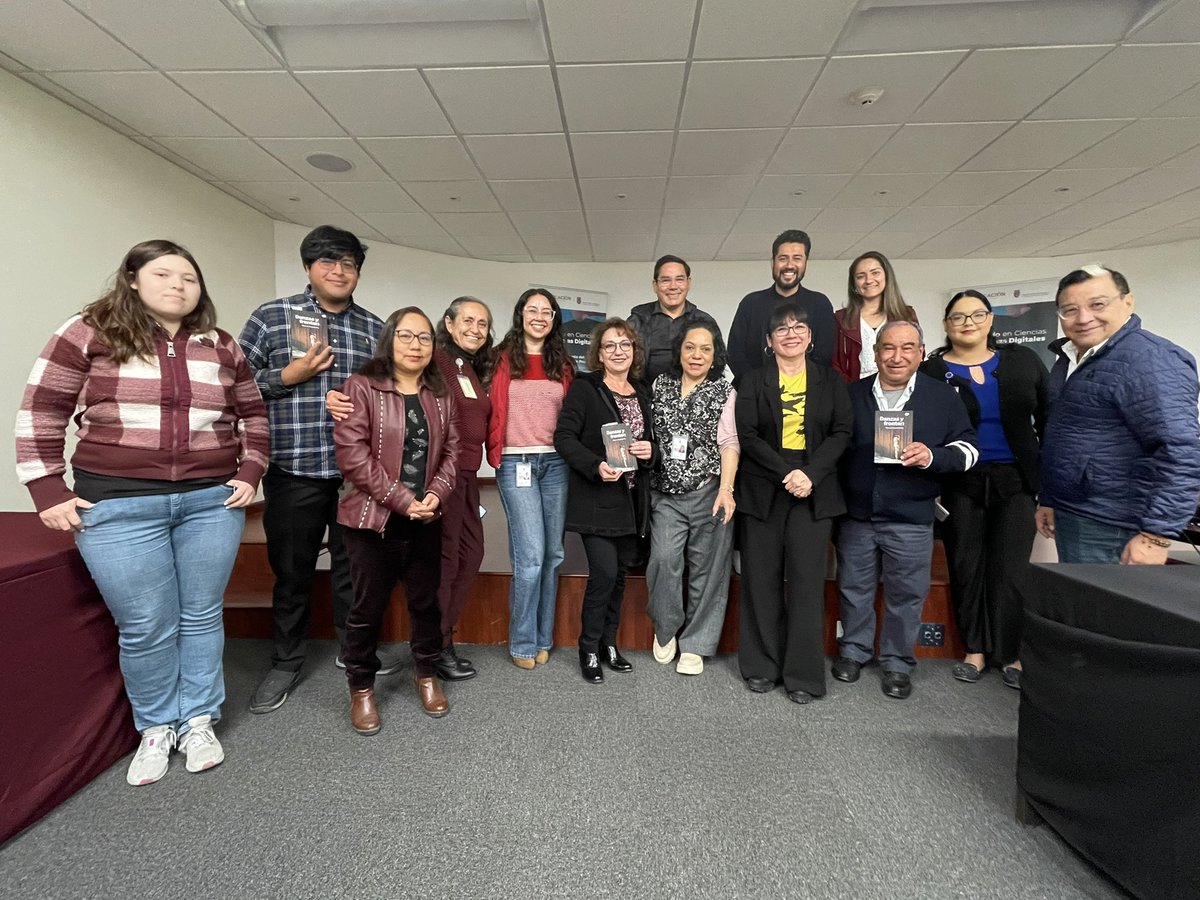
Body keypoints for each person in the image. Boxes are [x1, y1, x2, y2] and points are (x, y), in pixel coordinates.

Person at [16, 240, 268, 784]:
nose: (178, 285)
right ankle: (156, 727)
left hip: (209, 503)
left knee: (202, 614)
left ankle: (199, 718)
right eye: (164, 274)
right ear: (132, 279)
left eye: (189, 278)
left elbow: (253, 414)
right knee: (146, 625)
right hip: (118, 505)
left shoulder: (219, 344)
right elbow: (42, 408)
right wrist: (47, 489)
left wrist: (250, 472)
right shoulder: (88, 332)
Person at [240, 225, 391, 715]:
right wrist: (289, 377)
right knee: (292, 570)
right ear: (309, 267)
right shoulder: (273, 317)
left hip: (356, 473)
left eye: (348, 264)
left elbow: (389, 395)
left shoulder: (373, 327)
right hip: (294, 467)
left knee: (355, 570)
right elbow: (232, 385)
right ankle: (285, 661)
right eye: (328, 261)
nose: (339, 271)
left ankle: (355, 652)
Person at [327, 296, 493, 682]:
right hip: (409, 493)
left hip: (457, 478)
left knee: (468, 555)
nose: (475, 328)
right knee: (440, 566)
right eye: (467, 320)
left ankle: (435, 651)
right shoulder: (422, 366)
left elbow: (457, 436)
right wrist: (331, 396)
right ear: (447, 325)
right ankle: (432, 652)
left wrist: (442, 485)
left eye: (483, 323)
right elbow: (358, 440)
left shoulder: (462, 369)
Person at [835, 321, 978, 700]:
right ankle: (853, 651)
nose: (896, 357)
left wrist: (933, 456)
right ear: (876, 352)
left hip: (912, 515)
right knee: (854, 589)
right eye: (888, 348)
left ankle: (897, 663)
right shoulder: (852, 395)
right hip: (858, 514)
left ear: (920, 352)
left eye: (906, 348)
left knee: (906, 595)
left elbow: (970, 449)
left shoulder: (943, 397)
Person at [334, 307, 460, 732]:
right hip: (374, 520)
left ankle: (426, 675)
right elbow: (353, 457)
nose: (416, 345)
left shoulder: (440, 394)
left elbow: (452, 454)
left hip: (426, 517)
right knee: (367, 609)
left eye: (424, 338)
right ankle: (362, 688)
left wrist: (433, 496)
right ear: (390, 340)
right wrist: (403, 500)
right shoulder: (362, 386)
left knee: (426, 604)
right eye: (407, 336)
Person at [921, 291, 1048, 690]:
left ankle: (1009, 654)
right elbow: (922, 429)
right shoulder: (930, 371)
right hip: (960, 482)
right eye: (958, 317)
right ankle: (974, 649)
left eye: (977, 315)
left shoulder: (1022, 361)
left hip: (1015, 481)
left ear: (990, 320)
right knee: (966, 566)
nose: (968, 322)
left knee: (1010, 573)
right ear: (946, 324)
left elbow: (1049, 417)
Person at [1036, 265, 1200, 564]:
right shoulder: (1071, 357)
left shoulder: (1148, 359)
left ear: (1128, 302)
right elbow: (1066, 434)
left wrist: (1155, 537)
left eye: (1097, 304)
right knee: (1083, 605)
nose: (1084, 318)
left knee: (1106, 609)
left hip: (1115, 525)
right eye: (1070, 309)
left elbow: (1181, 451)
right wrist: (1049, 498)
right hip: (1077, 513)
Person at [734, 305, 852, 703]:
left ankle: (802, 675)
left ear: (811, 336)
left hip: (814, 490)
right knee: (760, 581)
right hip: (764, 488)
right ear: (768, 341)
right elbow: (747, 435)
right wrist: (787, 472)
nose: (790, 333)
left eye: (799, 326)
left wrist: (810, 474)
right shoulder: (751, 381)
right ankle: (761, 666)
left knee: (806, 584)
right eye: (780, 328)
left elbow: (842, 432)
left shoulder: (830, 380)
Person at [555, 319, 658, 683]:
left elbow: (654, 447)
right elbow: (564, 438)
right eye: (610, 345)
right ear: (598, 353)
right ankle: (587, 647)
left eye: (625, 344)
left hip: (633, 502)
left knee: (619, 578)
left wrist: (651, 451)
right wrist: (595, 465)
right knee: (604, 574)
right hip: (597, 498)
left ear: (634, 351)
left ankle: (609, 645)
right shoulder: (586, 389)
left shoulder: (642, 392)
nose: (619, 351)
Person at [645, 319, 739, 675]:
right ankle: (667, 627)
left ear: (715, 355)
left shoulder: (724, 390)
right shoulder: (661, 384)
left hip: (709, 492)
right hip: (666, 494)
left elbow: (730, 443)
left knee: (708, 570)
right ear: (679, 351)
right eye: (690, 347)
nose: (696, 355)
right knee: (664, 559)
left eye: (705, 349)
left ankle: (697, 643)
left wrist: (726, 490)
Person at [486, 289, 574, 669]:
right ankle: (522, 642)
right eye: (532, 309)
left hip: (556, 464)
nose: (539, 316)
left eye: (547, 311)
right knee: (531, 555)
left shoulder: (563, 364)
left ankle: (543, 637)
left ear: (554, 318)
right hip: (515, 462)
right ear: (520, 314)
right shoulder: (499, 359)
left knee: (553, 554)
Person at [728, 230, 836, 376]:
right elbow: (735, 354)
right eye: (783, 258)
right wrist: (755, 387)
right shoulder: (751, 303)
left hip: (808, 393)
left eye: (797, 258)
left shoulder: (820, 304)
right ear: (773, 262)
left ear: (806, 263)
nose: (789, 265)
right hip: (754, 393)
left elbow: (825, 356)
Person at [627, 255, 720, 388]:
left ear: (688, 283)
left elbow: (717, 364)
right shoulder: (638, 320)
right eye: (666, 280)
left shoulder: (704, 321)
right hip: (644, 397)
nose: (673, 286)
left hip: (694, 398)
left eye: (679, 280)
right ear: (655, 285)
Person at [832, 251, 919, 382]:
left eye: (875, 273)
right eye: (861, 276)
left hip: (900, 388)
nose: (868, 280)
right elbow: (835, 364)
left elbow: (916, 355)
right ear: (854, 284)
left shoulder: (906, 315)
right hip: (855, 392)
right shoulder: (841, 318)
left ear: (887, 277)